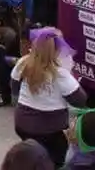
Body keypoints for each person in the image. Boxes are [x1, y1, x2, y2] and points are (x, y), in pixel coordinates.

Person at [11, 27, 87, 166]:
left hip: (23, 124)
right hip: (50, 130)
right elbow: (80, 100)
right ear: (56, 49)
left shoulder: (23, 63)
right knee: (56, 159)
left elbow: (14, 88)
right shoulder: (60, 74)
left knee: (31, 156)